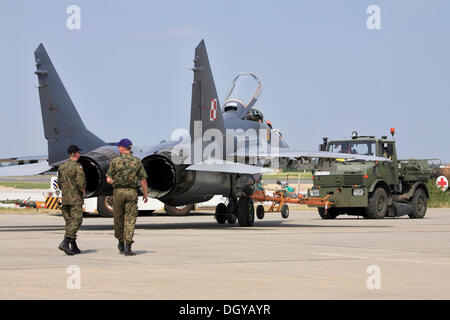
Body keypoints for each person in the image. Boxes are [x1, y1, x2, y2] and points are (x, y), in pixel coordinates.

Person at [106, 138, 148, 256]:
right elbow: (143, 180)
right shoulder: (137, 161)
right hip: (132, 192)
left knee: (118, 218)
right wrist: (145, 194)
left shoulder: (114, 161)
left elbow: (108, 179)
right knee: (130, 219)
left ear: (122, 148)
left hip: (118, 192)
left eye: (119, 147)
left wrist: (116, 183)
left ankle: (120, 241)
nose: (118, 148)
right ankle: (128, 247)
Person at [57, 145, 86, 255]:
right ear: (75, 154)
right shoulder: (77, 166)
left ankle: (73, 246)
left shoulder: (62, 166)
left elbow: (59, 183)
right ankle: (65, 242)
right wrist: (83, 190)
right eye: (78, 152)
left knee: (69, 222)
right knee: (77, 220)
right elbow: (81, 182)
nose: (79, 154)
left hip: (65, 198)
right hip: (75, 199)